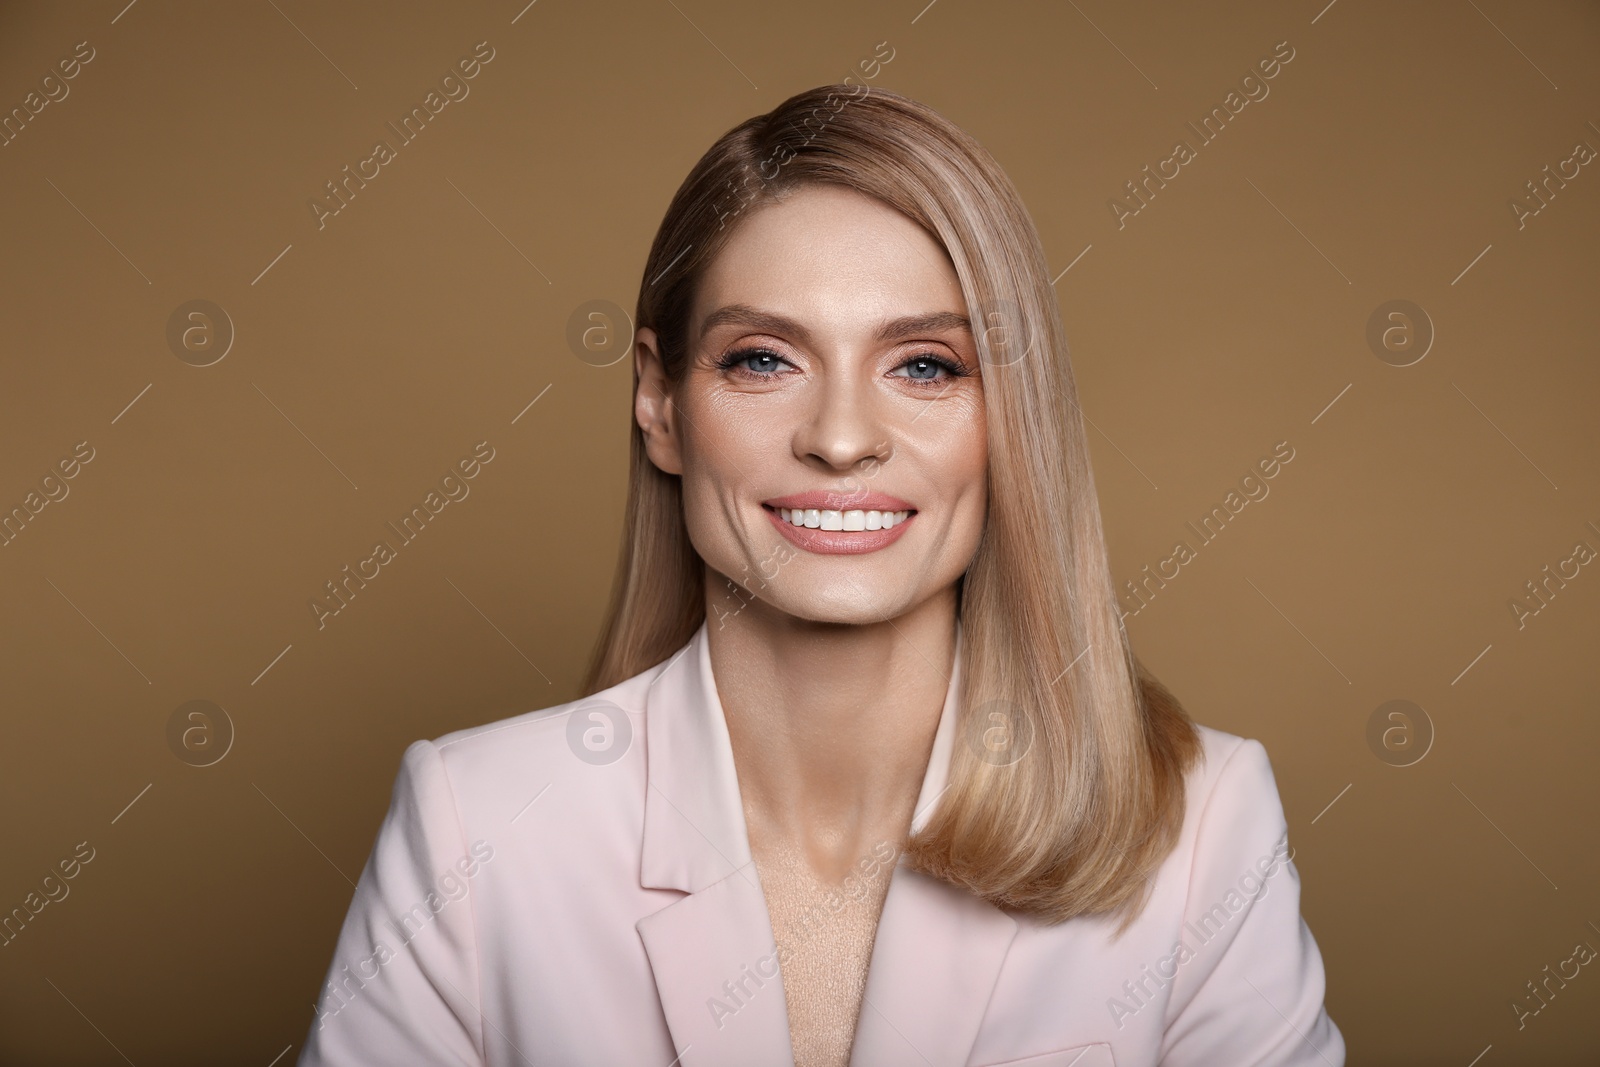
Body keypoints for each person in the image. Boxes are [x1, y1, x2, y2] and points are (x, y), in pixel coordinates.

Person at [299, 83, 1344, 1067]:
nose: (841, 440)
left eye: (926, 365)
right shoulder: (473, 827)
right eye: (762, 358)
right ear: (659, 403)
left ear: (1010, 418)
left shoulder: (1204, 825)